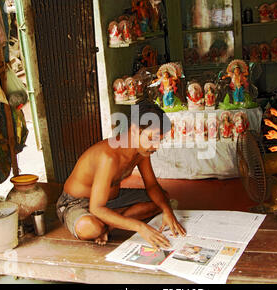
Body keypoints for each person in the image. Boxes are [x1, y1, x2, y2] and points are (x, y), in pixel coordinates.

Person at [56, 100, 186, 249]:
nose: (156, 146)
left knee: (163, 200)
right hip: (76, 203)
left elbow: (152, 185)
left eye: (160, 140)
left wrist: (167, 211)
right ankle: (107, 222)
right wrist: (140, 227)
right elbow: (96, 208)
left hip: (111, 200)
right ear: (135, 130)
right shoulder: (108, 157)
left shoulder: (142, 152)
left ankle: (109, 225)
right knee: (91, 228)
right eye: (152, 138)